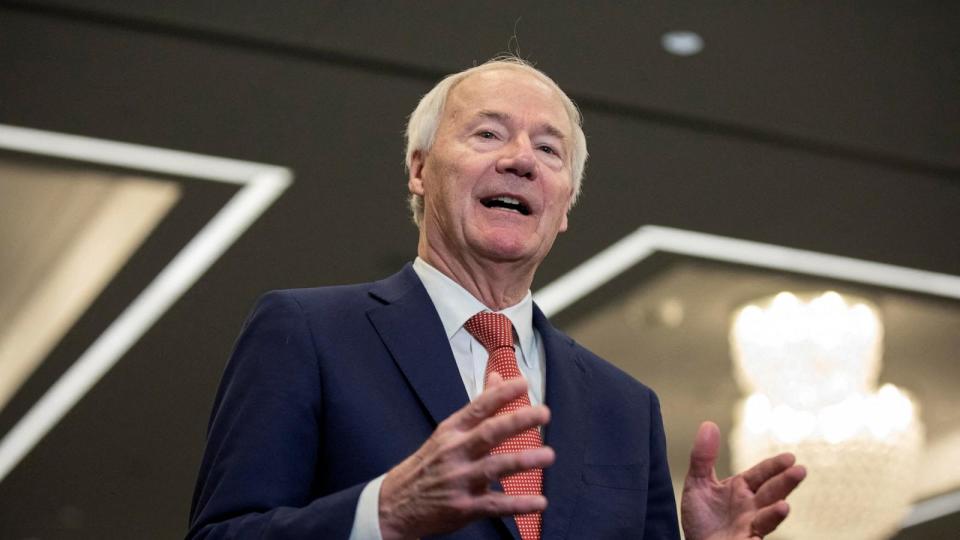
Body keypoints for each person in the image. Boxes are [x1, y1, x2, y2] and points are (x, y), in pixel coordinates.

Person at [188, 57, 805, 539]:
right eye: (488, 133)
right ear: (420, 169)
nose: (520, 160)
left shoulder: (626, 407)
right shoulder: (306, 331)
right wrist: (385, 513)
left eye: (548, 149)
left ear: (564, 207)